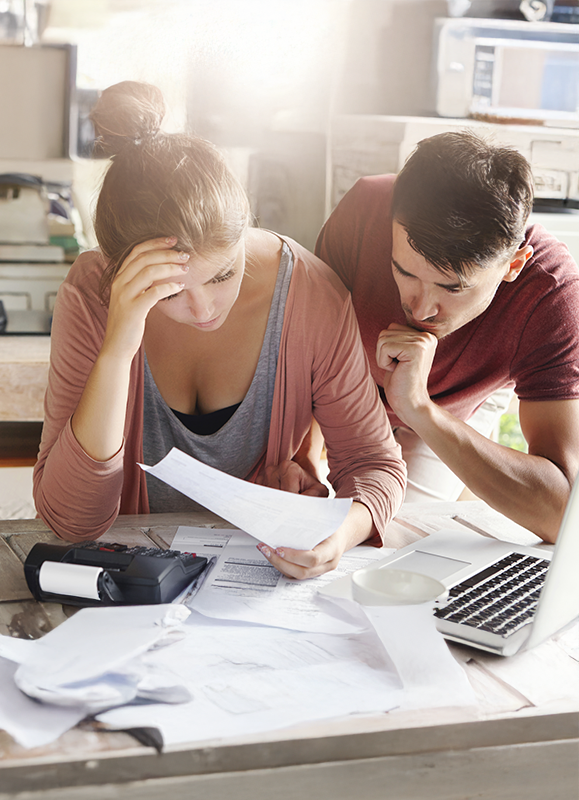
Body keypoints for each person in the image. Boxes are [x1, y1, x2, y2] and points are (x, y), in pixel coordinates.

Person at [33, 81, 406, 580]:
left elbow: (374, 463)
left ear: (242, 232)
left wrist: (338, 535)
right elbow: (71, 520)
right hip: (128, 585)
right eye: (169, 292)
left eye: (223, 274)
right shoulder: (92, 293)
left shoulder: (311, 294)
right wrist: (117, 349)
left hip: (256, 579)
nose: (204, 309)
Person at [315, 130, 579, 543]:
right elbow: (309, 351)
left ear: (513, 265)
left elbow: (562, 516)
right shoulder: (366, 209)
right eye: (404, 272)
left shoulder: (553, 293)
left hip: (463, 399)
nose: (420, 311)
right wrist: (300, 460)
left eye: (452, 287)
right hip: (351, 383)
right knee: (316, 513)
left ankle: (468, 478)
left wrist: (419, 408)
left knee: (389, 532)